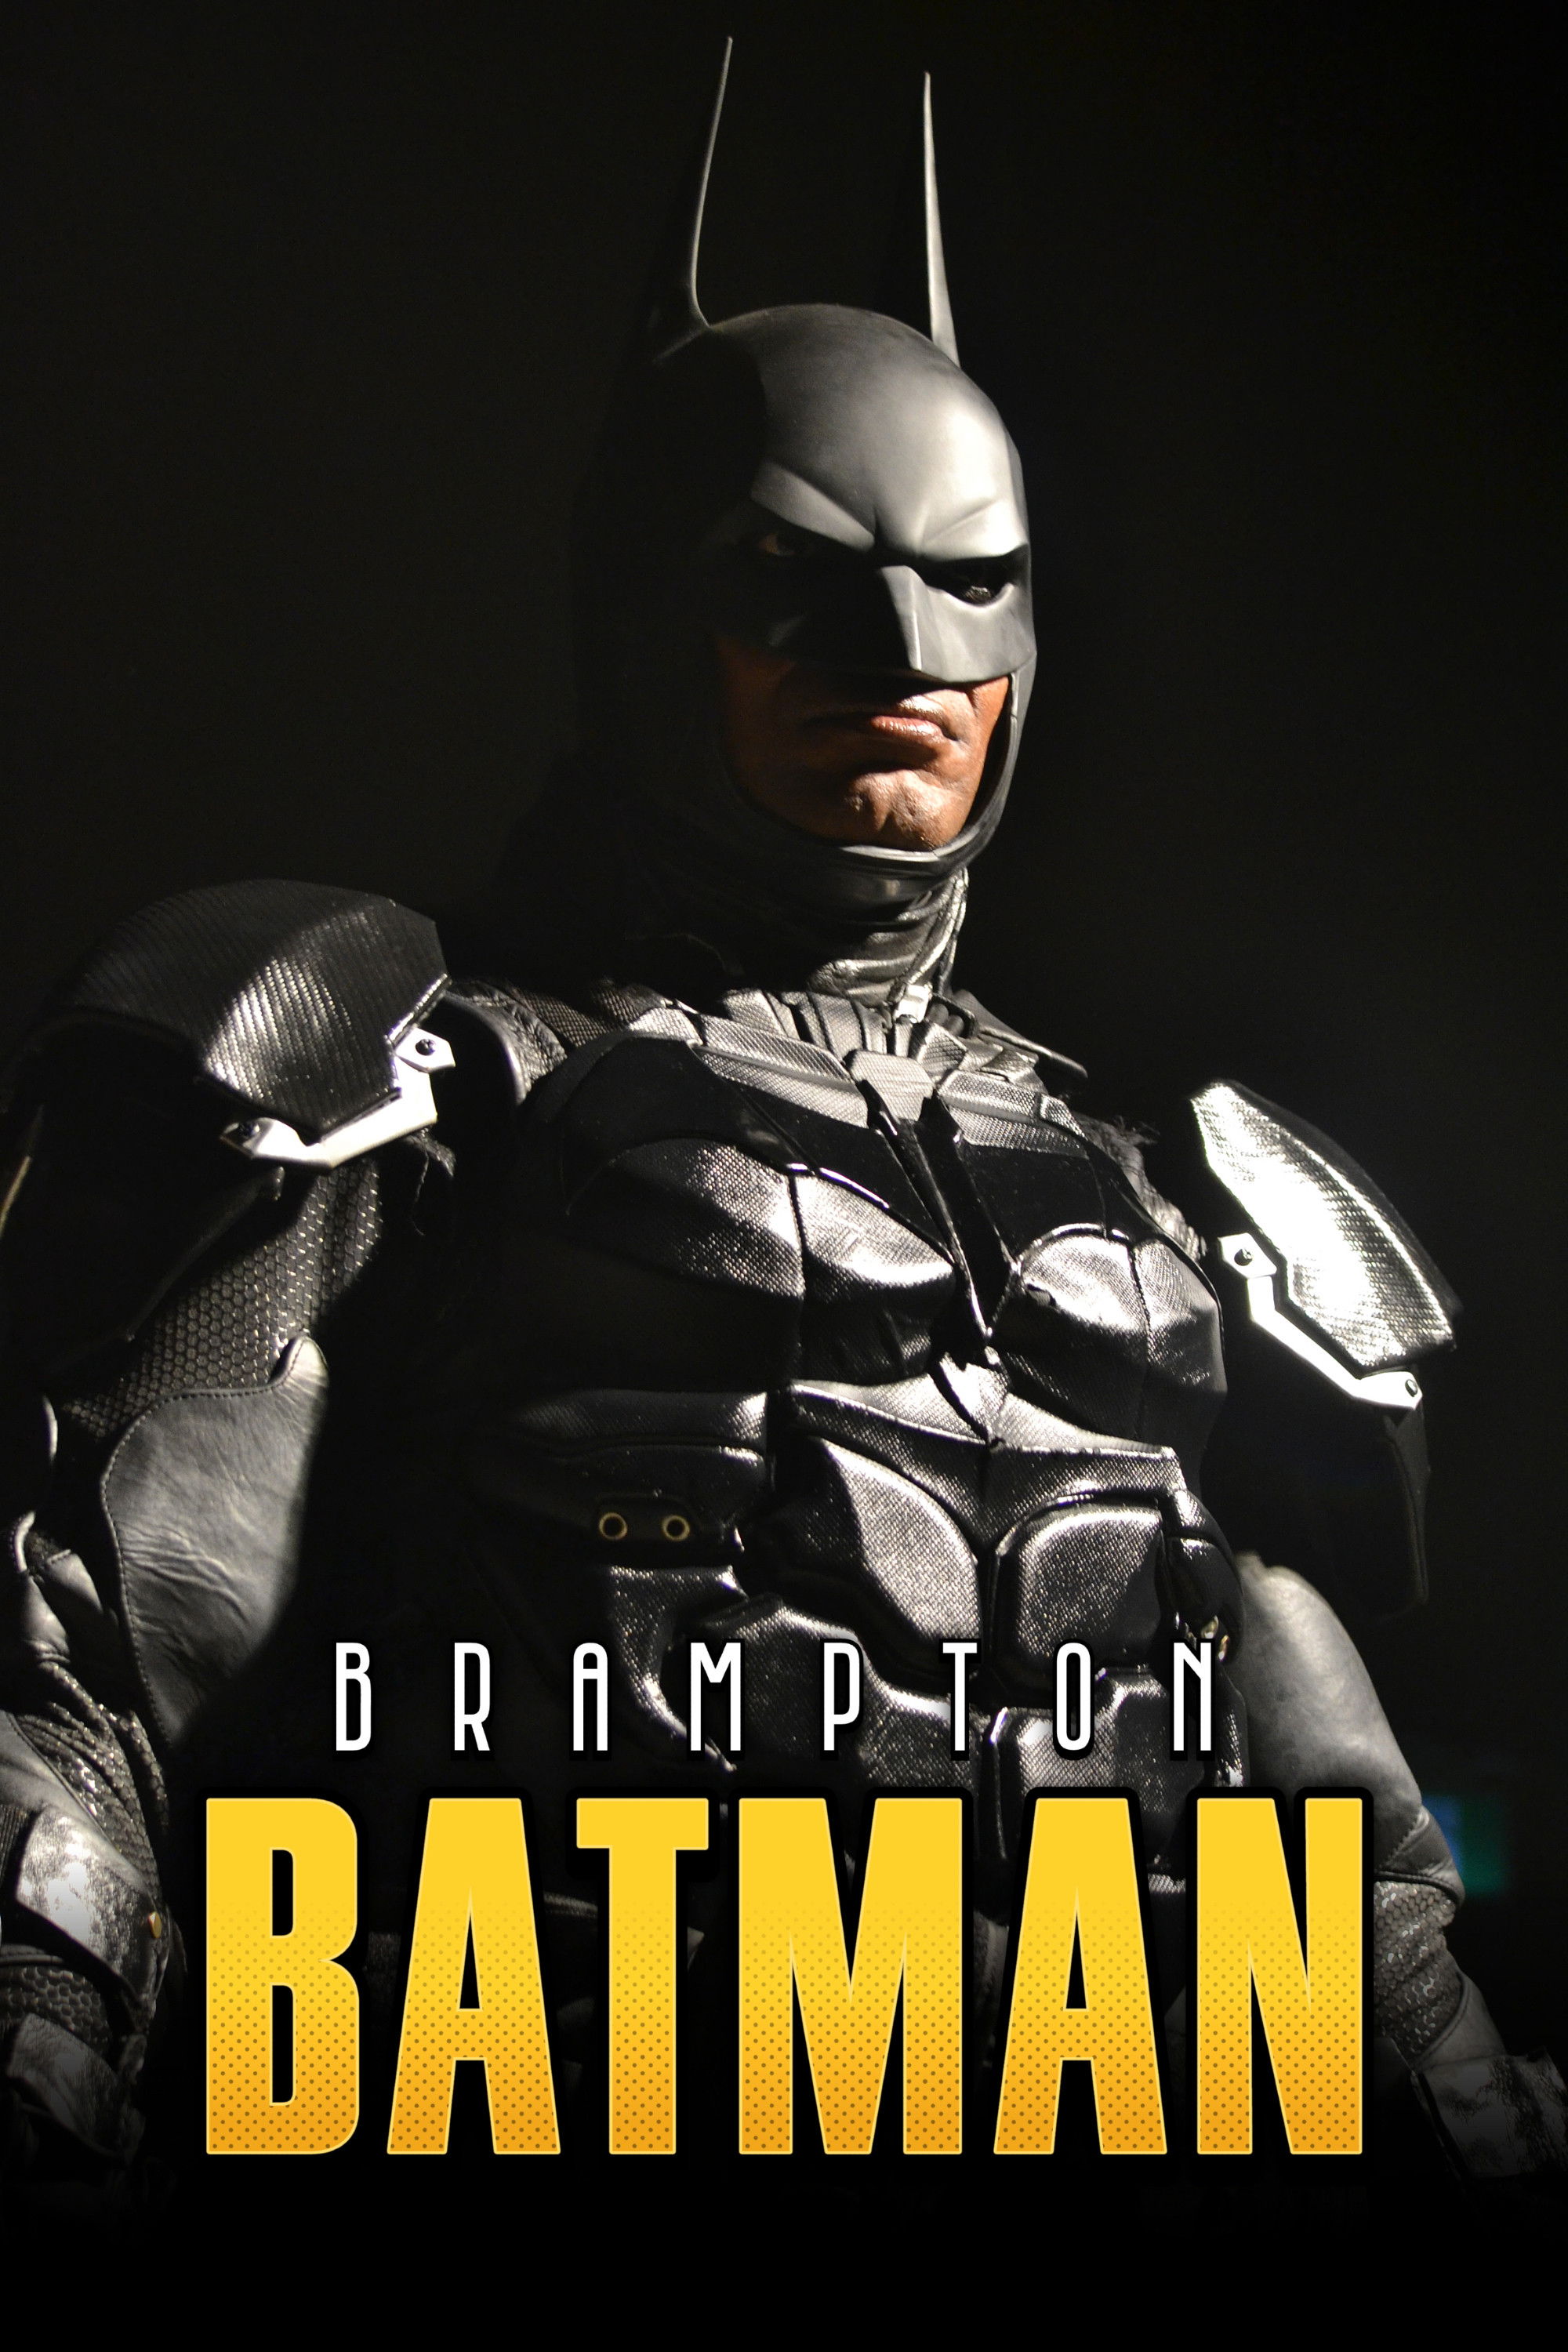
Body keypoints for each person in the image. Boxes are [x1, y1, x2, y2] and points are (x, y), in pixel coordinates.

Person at [0, 56, 1561, 2197]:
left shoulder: (1164, 1190)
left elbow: (1334, 1839)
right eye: (797, 579)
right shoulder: (380, 1071)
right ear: (653, 607)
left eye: (969, 582)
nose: (903, 652)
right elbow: (81, 1672)